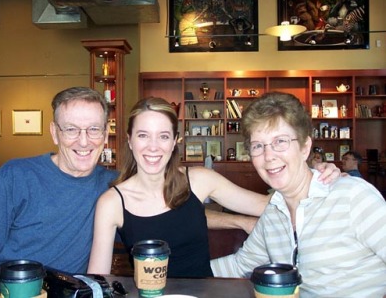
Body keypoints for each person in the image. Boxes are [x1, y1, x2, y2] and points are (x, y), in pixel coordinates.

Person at [87, 97, 341, 279]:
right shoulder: (111, 202)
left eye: (163, 136)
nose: (153, 147)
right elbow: (97, 279)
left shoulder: (199, 180)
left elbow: (275, 203)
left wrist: (314, 177)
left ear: (175, 141)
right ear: (130, 140)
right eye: (143, 135)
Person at [211, 92, 386, 297]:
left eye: (280, 141)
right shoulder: (273, 214)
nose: (269, 156)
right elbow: (238, 265)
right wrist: (170, 272)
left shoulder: (353, 197)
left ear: (304, 148)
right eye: (258, 146)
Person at [0, 87, 119, 297]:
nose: (84, 141)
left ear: (105, 134)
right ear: (54, 133)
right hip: (2, 291)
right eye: (71, 129)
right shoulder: (15, 176)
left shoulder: (114, 186)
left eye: (94, 129)